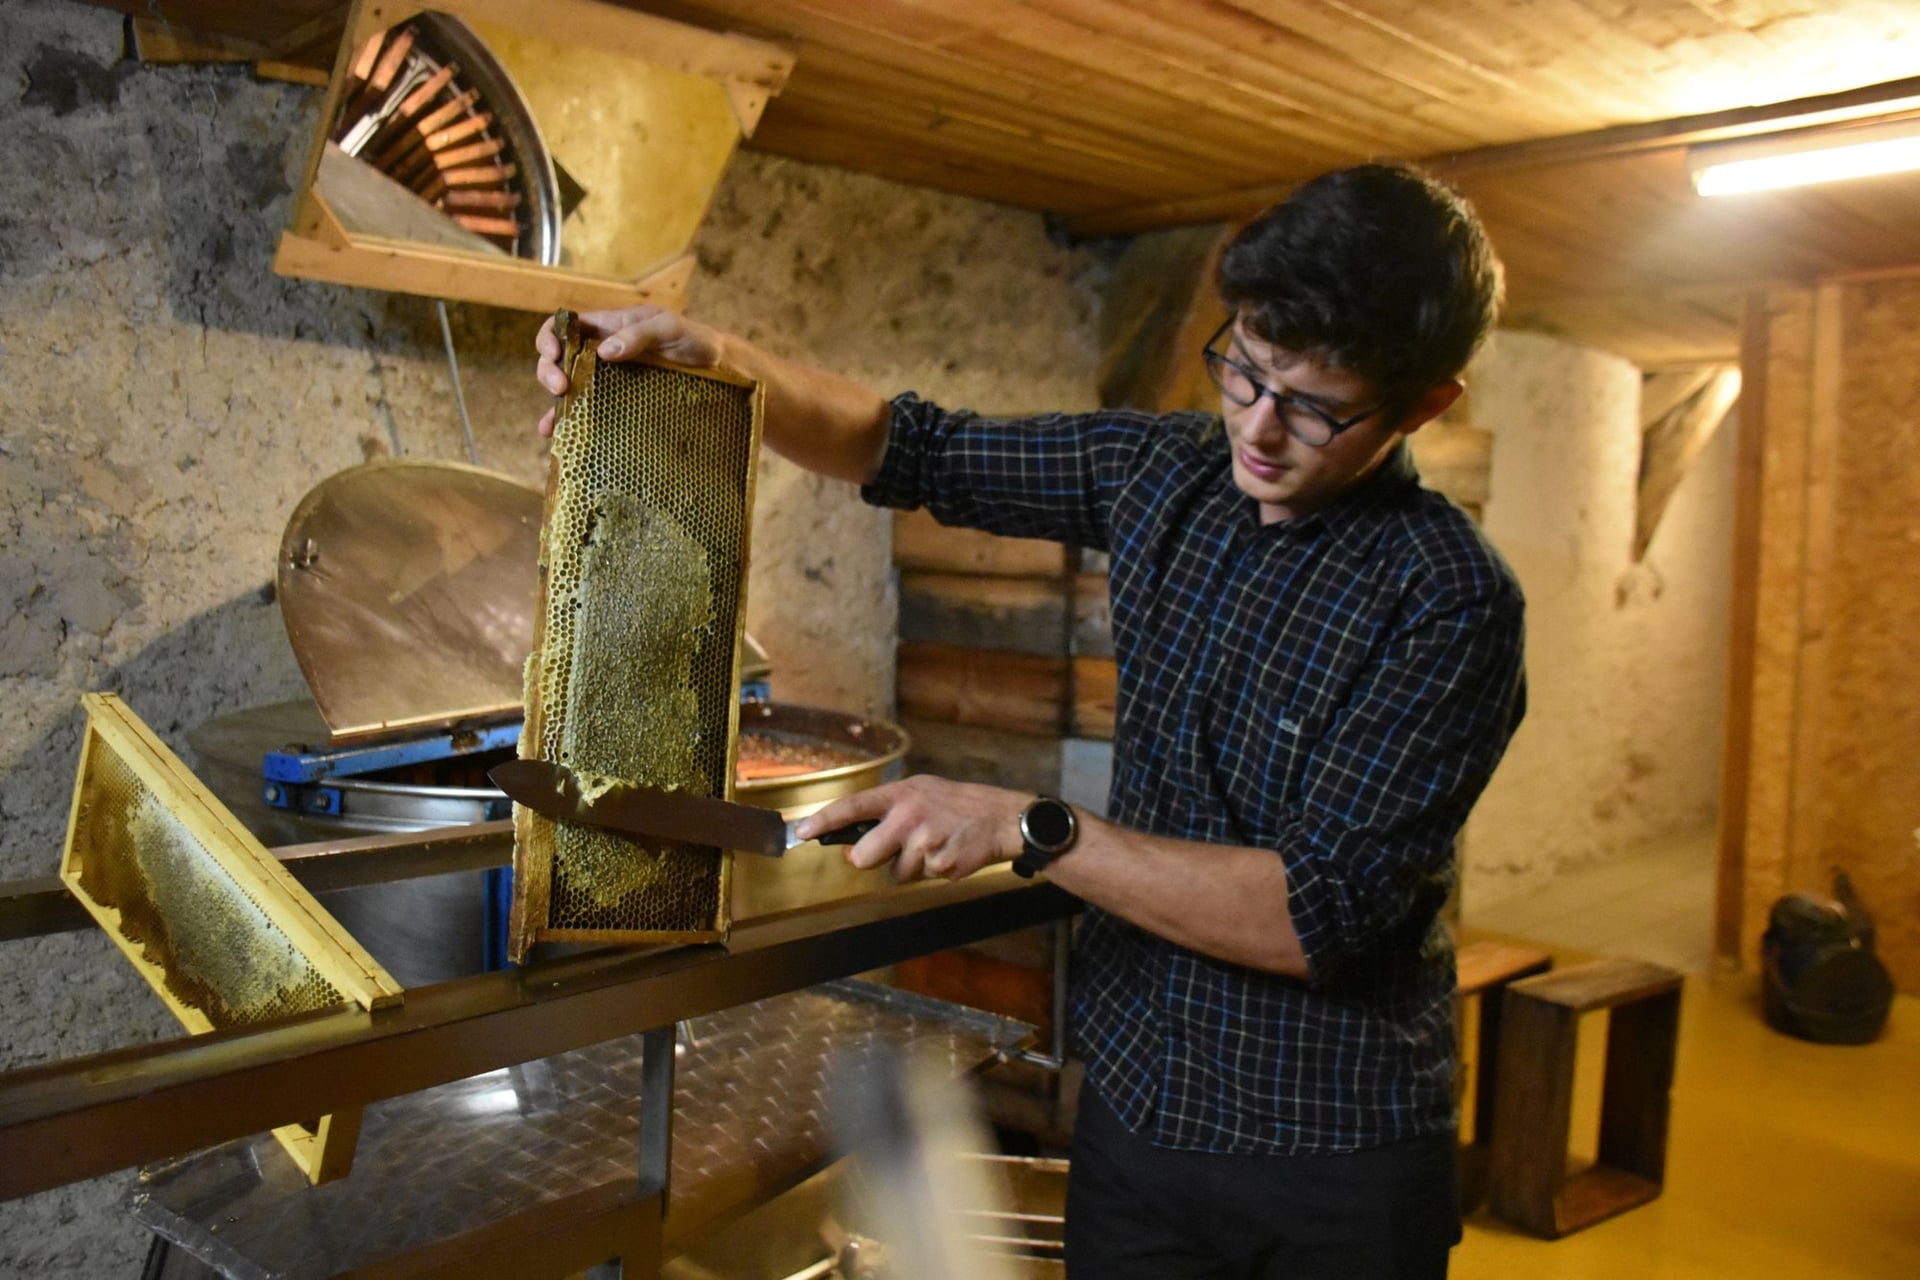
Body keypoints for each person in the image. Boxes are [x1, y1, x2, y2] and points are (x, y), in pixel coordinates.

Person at [534, 162, 1526, 1279]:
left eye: (1316, 405)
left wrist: (1032, 828)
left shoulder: (1447, 599)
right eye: (1243, 369)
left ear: (1425, 402)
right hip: (1141, 1102)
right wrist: (718, 363)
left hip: (1327, 1150)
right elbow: (908, 446)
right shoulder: (1166, 474)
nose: (1259, 424)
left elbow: (1315, 917)